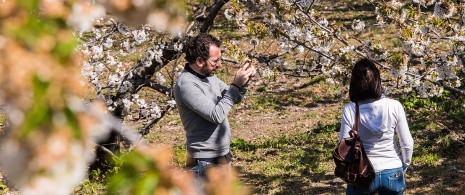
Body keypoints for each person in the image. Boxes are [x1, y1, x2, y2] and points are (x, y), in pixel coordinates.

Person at [174, 33, 256, 179]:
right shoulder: (186, 84)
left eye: (220, 59)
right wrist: (236, 84)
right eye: (215, 61)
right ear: (199, 61)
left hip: (222, 158)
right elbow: (216, 115)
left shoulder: (209, 76)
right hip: (204, 164)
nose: (219, 65)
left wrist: (245, 79)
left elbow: (234, 97)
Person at [338, 58, 414, 195]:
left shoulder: (350, 110)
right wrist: (404, 166)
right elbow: (407, 143)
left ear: (354, 84)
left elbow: (343, 146)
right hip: (392, 169)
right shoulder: (394, 105)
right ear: (377, 81)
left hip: (362, 172)